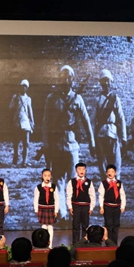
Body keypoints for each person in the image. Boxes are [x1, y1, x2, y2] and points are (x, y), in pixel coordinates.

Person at [42, 65, 95, 219]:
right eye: (63, 77)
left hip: (72, 144)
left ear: (72, 80)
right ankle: (62, 212)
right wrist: (46, 144)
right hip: (56, 144)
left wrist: (91, 142)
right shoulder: (52, 98)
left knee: (74, 180)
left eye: (69, 77)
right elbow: (45, 122)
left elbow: (86, 121)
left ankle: (73, 212)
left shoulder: (77, 99)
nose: (66, 80)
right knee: (58, 179)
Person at [94, 69, 127, 180]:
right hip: (101, 135)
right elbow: (92, 120)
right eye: (104, 81)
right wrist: (92, 141)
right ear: (100, 83)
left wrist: (124, 138)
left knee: (115, 165)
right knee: (103, 166)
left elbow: (121, 118)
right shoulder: (97, 99)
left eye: (108, 81)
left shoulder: (115, 98)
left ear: (111, 82)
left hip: (113, 134)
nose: (106, 84)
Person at [66, 162, 96, 244]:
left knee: (85, 226)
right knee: (75, 226)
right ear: (76, 171)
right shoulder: (72, 182)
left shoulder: (89, 182)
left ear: (86, 170)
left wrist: (91, 208)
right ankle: (75, 243)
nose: (81, 171)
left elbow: (92, 196)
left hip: (86, 206)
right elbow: (69, 195)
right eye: (79, 169)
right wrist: (70, 207)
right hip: (76, 206)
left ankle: (84, 243)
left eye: (83, 169)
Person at [98, 164, 126, 245]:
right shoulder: (103, 183)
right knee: (109, 225)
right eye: (109, 172)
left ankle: (115, 243)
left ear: (115, 173)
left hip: (117, 207)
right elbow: (101, 196)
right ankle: (109, 243)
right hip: (107, 207)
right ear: (106, 173)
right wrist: (101, 207)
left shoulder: (119, 183)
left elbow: (122, 195)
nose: (110, 173)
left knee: (116, 225)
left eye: (112, 171)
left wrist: (123, 206)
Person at [9, 79, 34, 167]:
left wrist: (32, 121)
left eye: (25, 87)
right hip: (17, 121)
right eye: (22, 86)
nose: (23, 88)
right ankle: (15, 158)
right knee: (16, 142)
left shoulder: (28, 99)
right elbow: (10, 107)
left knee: (26, 143)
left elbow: (30, 110)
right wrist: (15, 103)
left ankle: (24, 161)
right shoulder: (16, 97)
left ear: (27, 88)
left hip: (26, 122)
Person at [34, 168, 59, 248]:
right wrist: (36, 210)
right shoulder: (39, 187)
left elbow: (57, 199)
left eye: (48, 176)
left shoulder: (53, 187)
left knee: (50, 227)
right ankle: (43, 243)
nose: (47, 177)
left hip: (51, 208)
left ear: (51, 177)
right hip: (42, 208)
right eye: (45, 176)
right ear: (42, 176)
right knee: (44, 226)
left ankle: (50, 245)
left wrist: (56, 210)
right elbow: (36, 199)